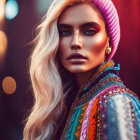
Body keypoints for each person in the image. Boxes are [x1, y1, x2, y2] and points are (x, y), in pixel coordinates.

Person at [23, 0, 140, 139]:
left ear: (108, 40)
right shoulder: (64, 105)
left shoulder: (117, 103)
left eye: (89, 31)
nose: (76, 43)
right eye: (65, 32)